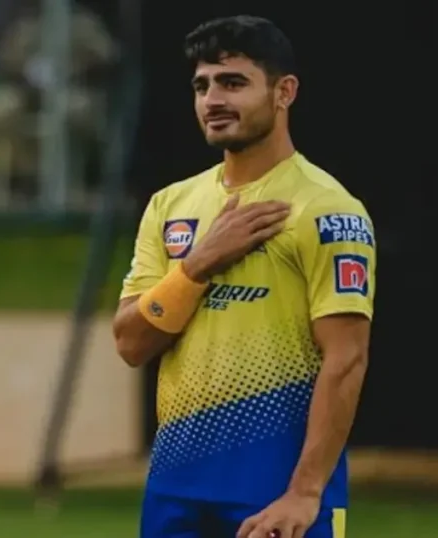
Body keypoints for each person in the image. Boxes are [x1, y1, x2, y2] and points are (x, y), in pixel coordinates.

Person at [112, 15, 375, 538]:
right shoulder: (171, 205)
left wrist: (303, 493)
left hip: (276, 494)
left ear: (285, 92)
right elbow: (131, 342)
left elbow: (346, 359)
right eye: (202, 85)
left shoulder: (327, 210)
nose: (213, 100)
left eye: (233, 83)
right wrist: (197, 266)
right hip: (174, 491)